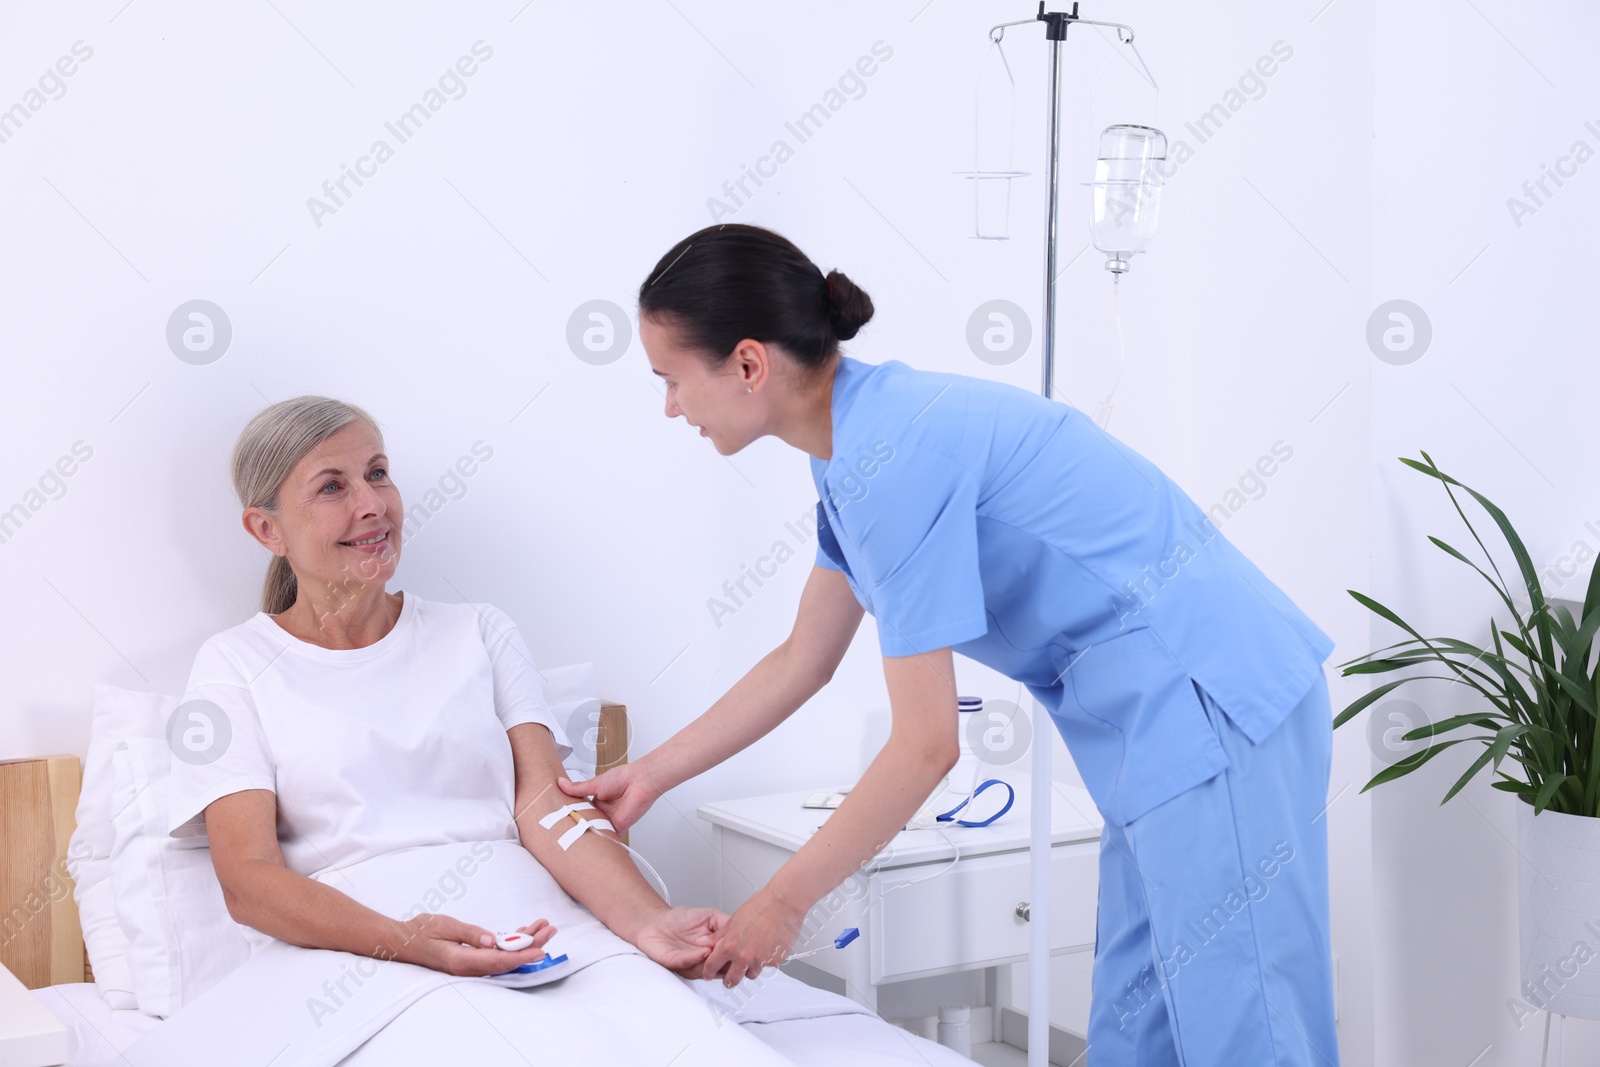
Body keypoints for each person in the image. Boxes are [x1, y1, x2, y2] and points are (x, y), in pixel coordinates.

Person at [559, 223, 1342, 1066]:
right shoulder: (849, 451)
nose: (670, 407)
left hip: (1208, 693)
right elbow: (804, 658)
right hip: (1151, 723)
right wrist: (651, 773)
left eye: (672, 380)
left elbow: (928, 743)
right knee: (1138, 1018)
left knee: (1241, 1023)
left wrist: (783, 904)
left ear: (749, 364)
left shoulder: (889, 457)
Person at [166, 395, 799, 1064]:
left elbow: (545, 808)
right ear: (267, 530)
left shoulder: (479, 632)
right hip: (366, 955)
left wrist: (645, 920)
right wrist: (404, 940)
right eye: (333, 486)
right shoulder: (234, 666)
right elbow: (248, 878)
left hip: (536, 933)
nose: (373, 503)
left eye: (378, 472)